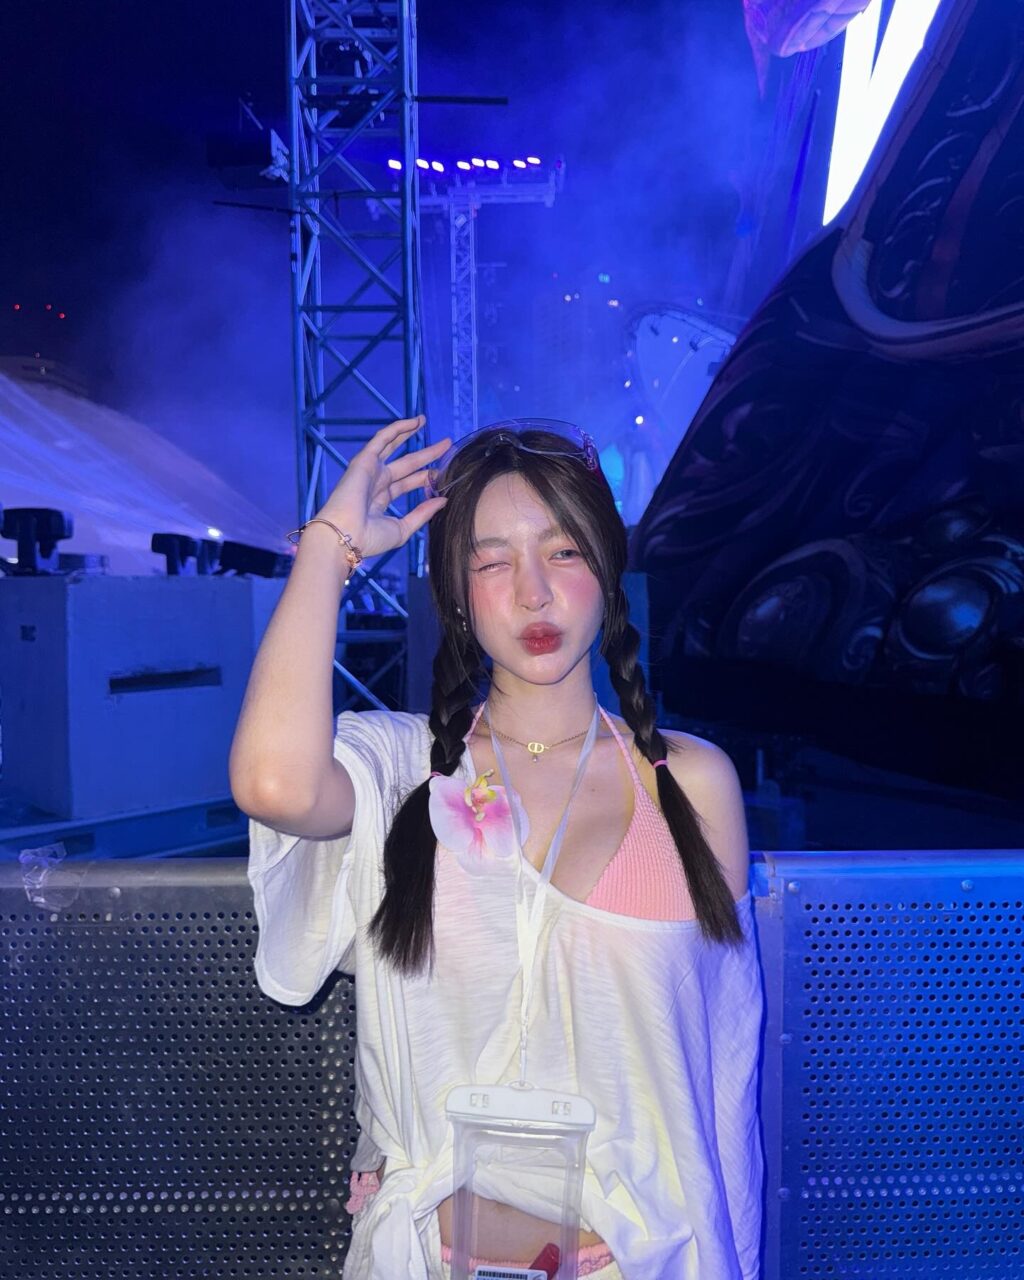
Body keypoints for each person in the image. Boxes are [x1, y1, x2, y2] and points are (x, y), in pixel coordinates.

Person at [231, 416, 764, 1280]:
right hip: (430, 1261)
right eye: (491, 562)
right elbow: (273, 785)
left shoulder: (691, 783)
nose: (533, 593)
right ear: (455, 593)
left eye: (563, 551)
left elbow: (724, 1081)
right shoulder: (404, 770)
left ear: (609, 568)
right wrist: (329, 548)